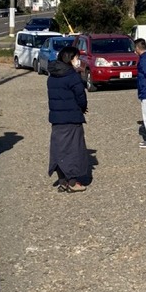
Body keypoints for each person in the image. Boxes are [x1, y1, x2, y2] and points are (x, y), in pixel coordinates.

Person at [47, 44, 89, 193]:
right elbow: (81, 97)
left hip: (56, 119)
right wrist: (83, 109)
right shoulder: (72, 76)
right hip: (71, 118)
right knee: (73, 149)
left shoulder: (52, 77)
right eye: (77, 57)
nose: (78, 60)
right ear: (70, 59)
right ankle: (72, 181)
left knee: (58, 149)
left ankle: (62, 180)